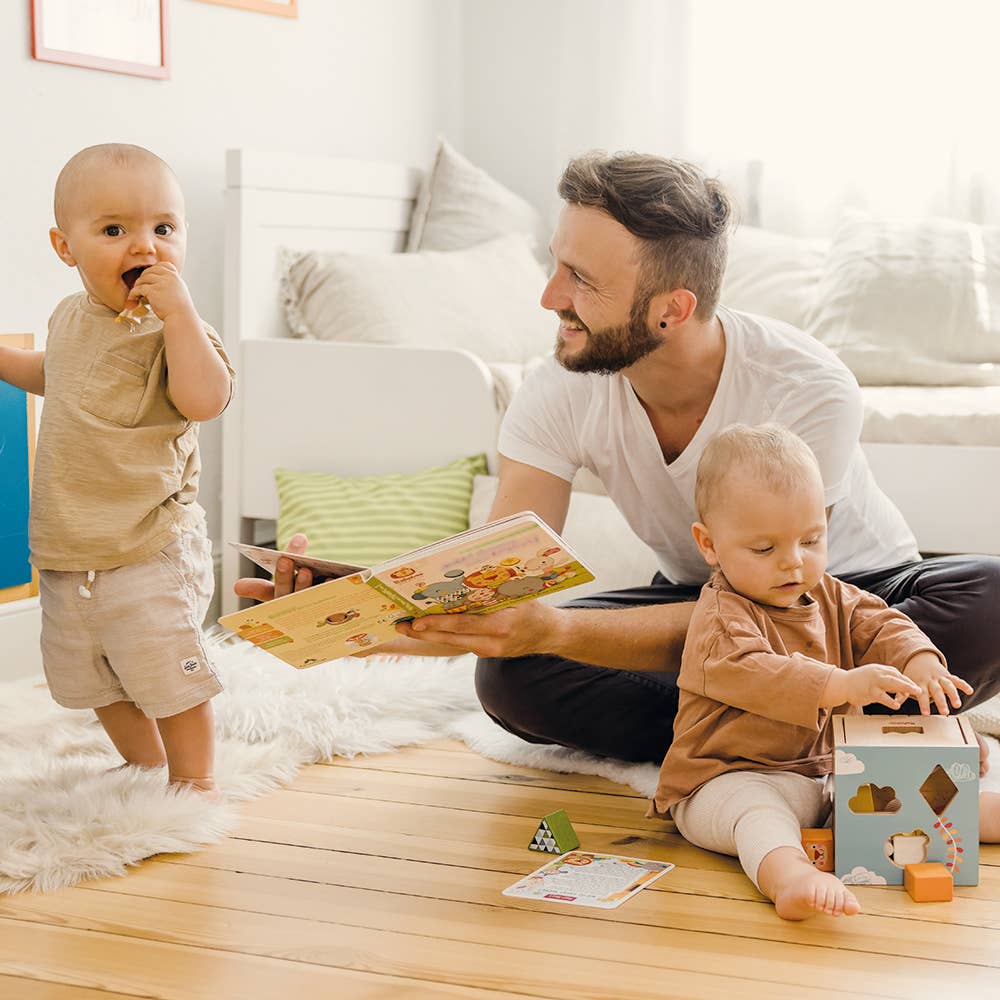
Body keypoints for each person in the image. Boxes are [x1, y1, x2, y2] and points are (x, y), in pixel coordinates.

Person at [236, 150, 1000, 766]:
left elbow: (791, 603)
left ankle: (756, 723)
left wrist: (561, 633)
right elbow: (495, 583)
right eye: (556, 264)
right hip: (702, 607)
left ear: (673, 309)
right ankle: (803, 724)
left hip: (847, 603)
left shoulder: (808, 387)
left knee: (991, 595)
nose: (548, 298)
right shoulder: (559, 386)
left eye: (581, 281)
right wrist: (341, 613)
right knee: (511, 676)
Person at [649, 423, 1000, 921]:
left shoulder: (832, 594)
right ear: (710, 545)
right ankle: (787, 875)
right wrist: (840, 683)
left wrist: (920, 662)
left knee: (902, 790)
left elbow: (881, 623)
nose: (793, 563)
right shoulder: (721, 620)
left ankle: (983, 812)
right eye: (764, 549)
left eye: (811, 539)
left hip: (823, 775)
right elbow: (758, 673)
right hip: (725, 777)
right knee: (759, 815)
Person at [0, 143, 235, 796]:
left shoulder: (176, 331)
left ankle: (195, 780)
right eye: (114, 231)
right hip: (73, 544)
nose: (146, 247)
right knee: (91, 674)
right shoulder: (72, 318)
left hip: (148, 542)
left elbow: (205, 399)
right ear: (64, 246)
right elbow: (53, 375)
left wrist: (182, 315)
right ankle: (144, 766)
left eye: (164, 228)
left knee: (168, 673)